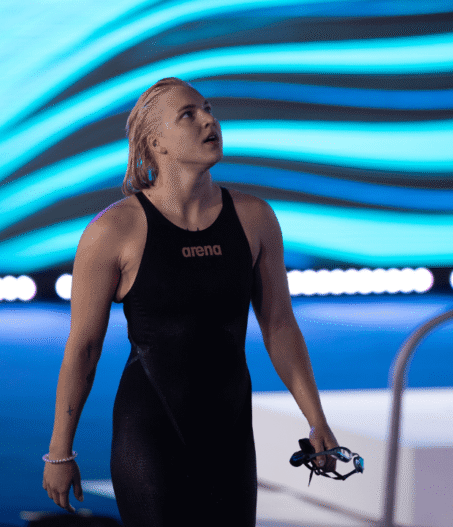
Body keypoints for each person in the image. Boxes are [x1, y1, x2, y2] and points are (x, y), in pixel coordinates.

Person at [42, 77, 338, 526]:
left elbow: (279, 325)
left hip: (231, 436)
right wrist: (60, 451)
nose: (208, 121)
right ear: (155, 143)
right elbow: (84, 348)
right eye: (189, 115)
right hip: (150, 432)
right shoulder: (113, 231)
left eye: (208, 109)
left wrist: (317, 420)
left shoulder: (255, 218)